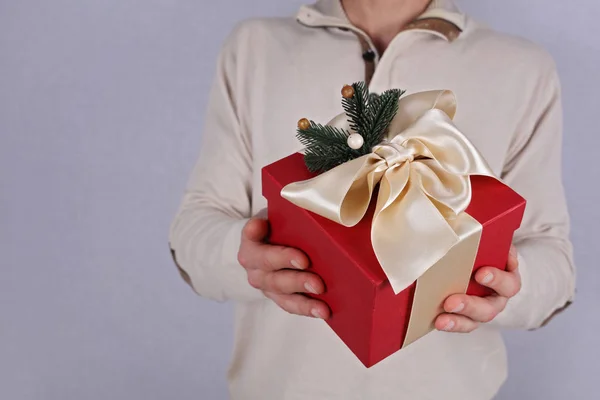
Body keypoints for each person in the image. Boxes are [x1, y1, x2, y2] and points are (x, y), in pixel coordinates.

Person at [169, 0, 576, 398]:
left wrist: (509, 288)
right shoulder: (255, 47)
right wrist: (245, 258)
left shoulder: (521, 68)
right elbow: (194, 231)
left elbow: (552, 258)